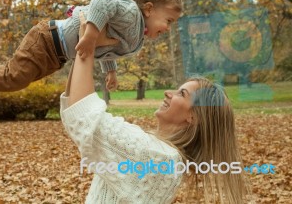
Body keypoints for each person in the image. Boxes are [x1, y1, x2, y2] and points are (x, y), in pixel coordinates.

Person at [60, 14, 248, 203]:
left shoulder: (158, 157)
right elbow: (77, 110)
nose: (168, 93)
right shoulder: (164, 156)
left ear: (194, 117)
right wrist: (83, 45)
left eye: (181, 94)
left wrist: (88, 42)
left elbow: (82, 114)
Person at [0, 0, 182, 116]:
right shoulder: (130, 12)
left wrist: (111, 70)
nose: (168, 28)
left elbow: (109, 45)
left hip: (56, 53)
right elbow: (102, 2)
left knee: (13, 78)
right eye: (168, 20)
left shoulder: (135, 32)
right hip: (47, 40)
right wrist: (89, 36)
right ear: (148, 8)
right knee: (15, 78)